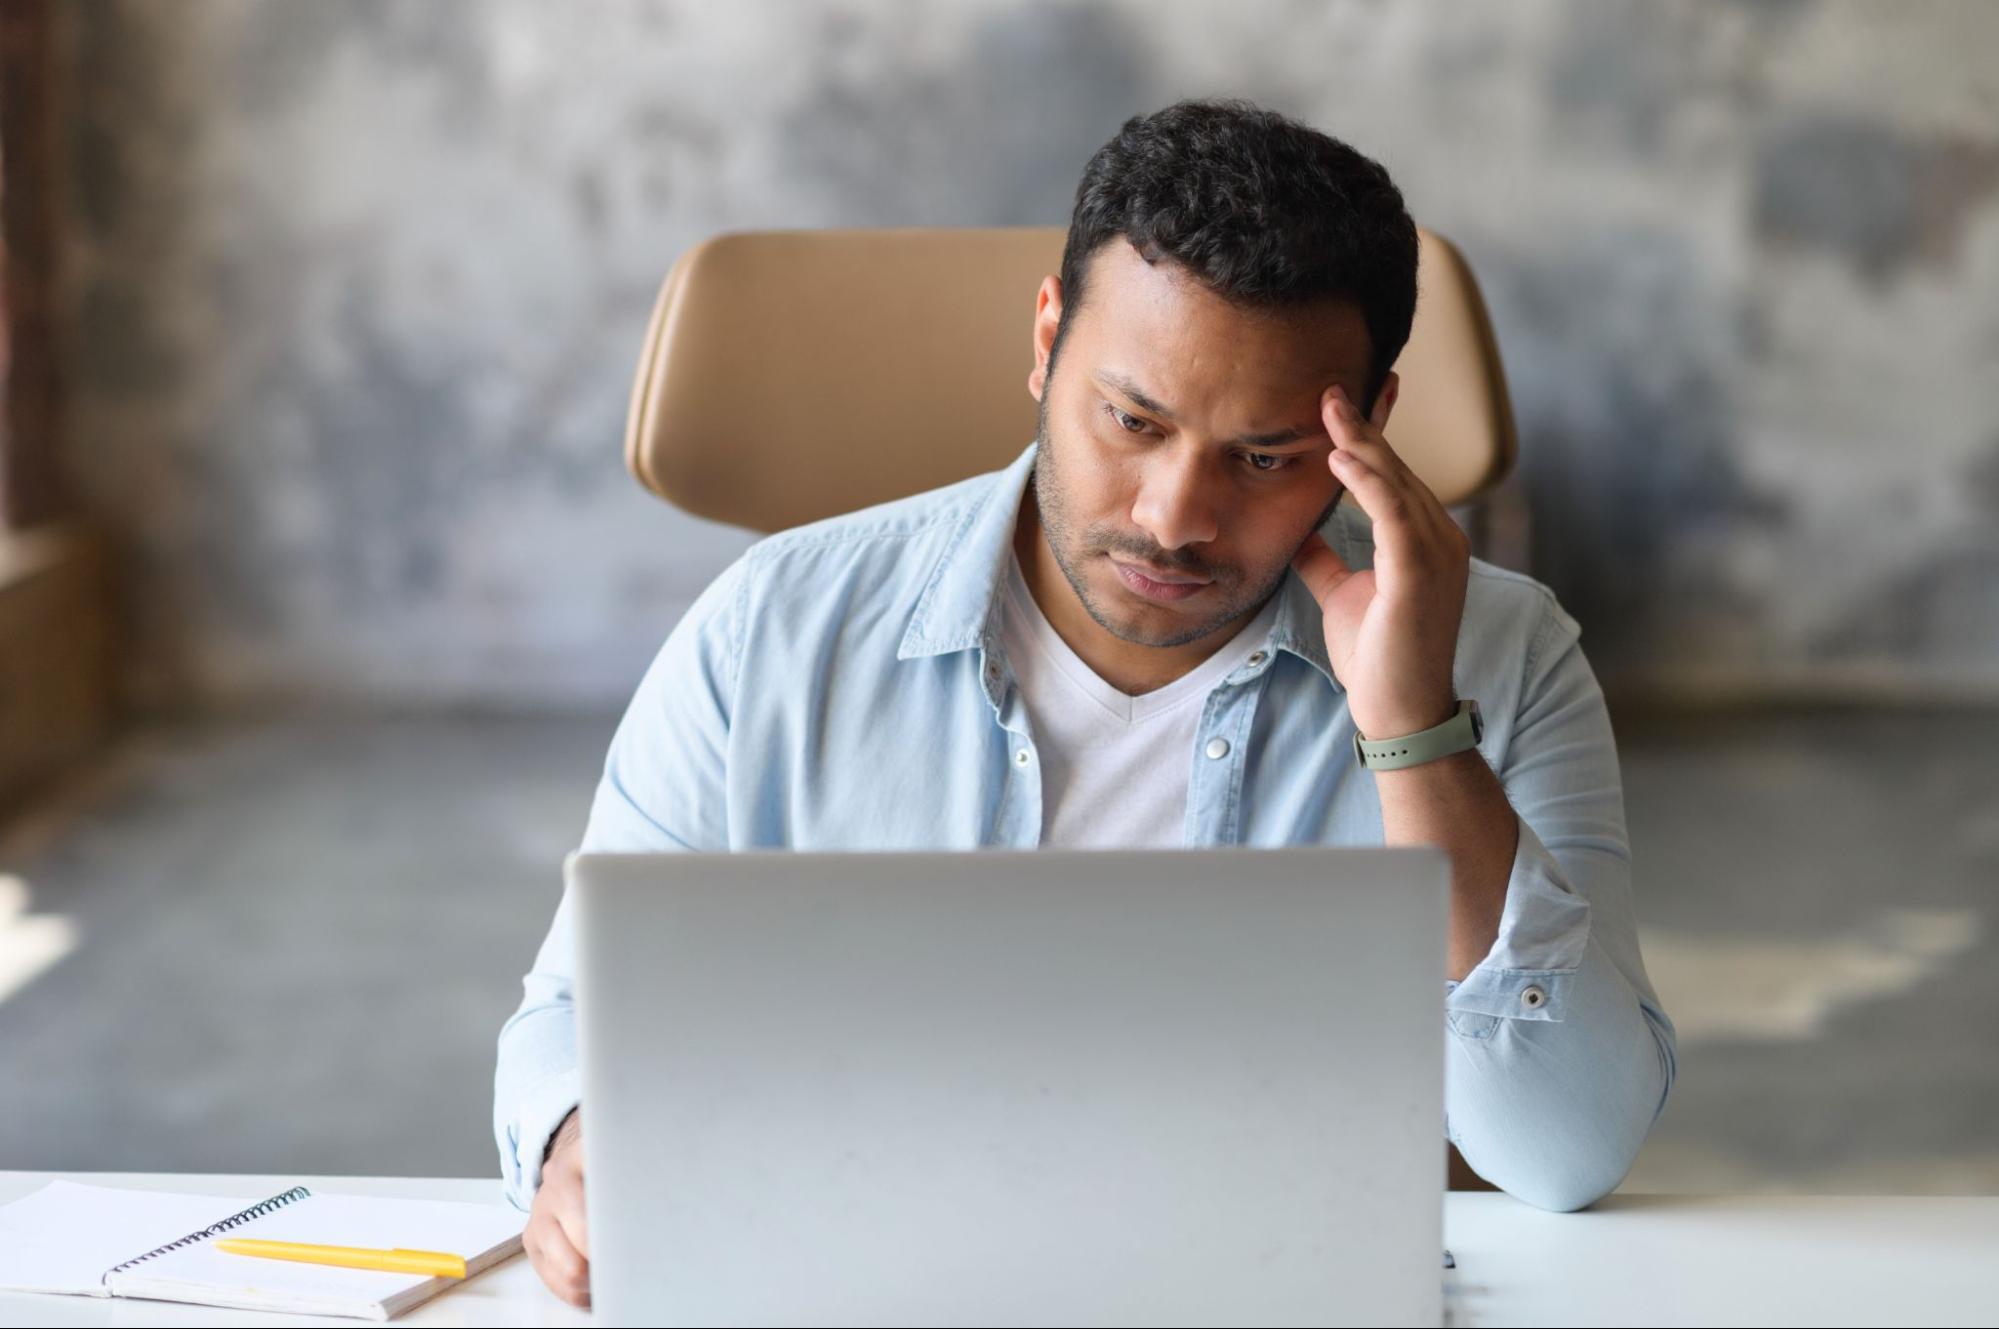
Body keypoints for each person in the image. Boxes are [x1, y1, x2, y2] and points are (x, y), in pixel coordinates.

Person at [495, 98, 1677, 1308]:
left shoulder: (1504, 653)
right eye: (1133, 420)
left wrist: (1415, 731)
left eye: (1265, 456)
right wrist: (578, 1140)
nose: (1174, 516)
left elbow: (1565, 1151)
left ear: (1367, 428)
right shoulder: (771, 627)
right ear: (1048, 338)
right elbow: (572, 1020)